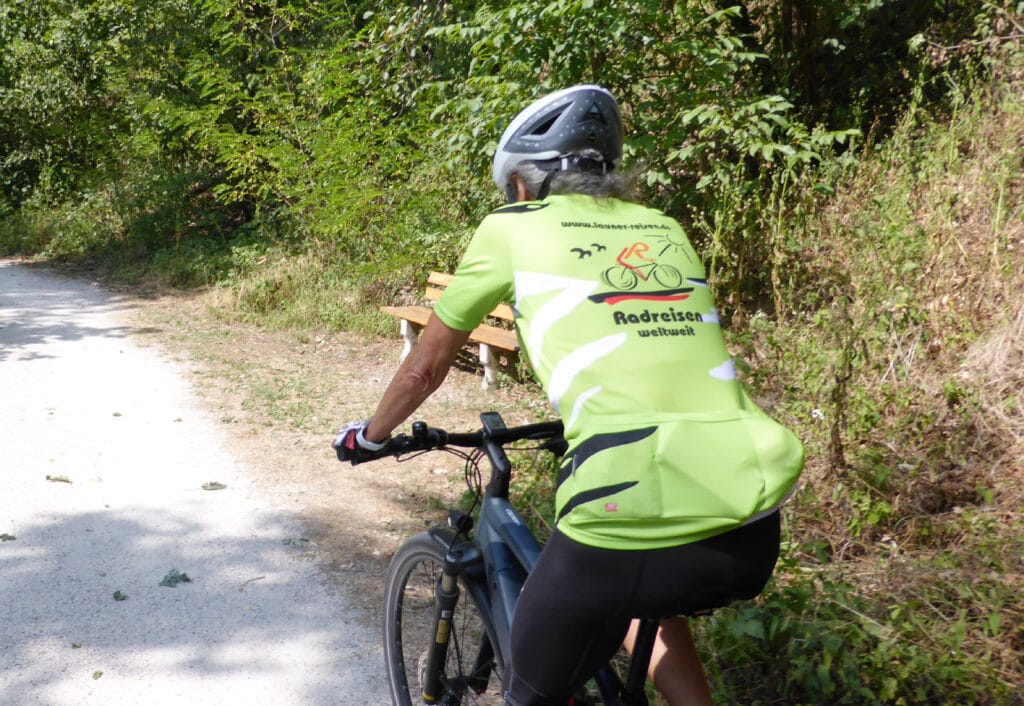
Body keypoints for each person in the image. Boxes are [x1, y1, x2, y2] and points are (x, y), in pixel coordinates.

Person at [335, 85, 804, 706]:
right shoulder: (663, 227)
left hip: (631, 502)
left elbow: (425, 367)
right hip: (750, 512)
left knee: (531, 692)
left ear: (525, 185)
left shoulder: (512, 228)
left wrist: (368, 436)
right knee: (651, 607)